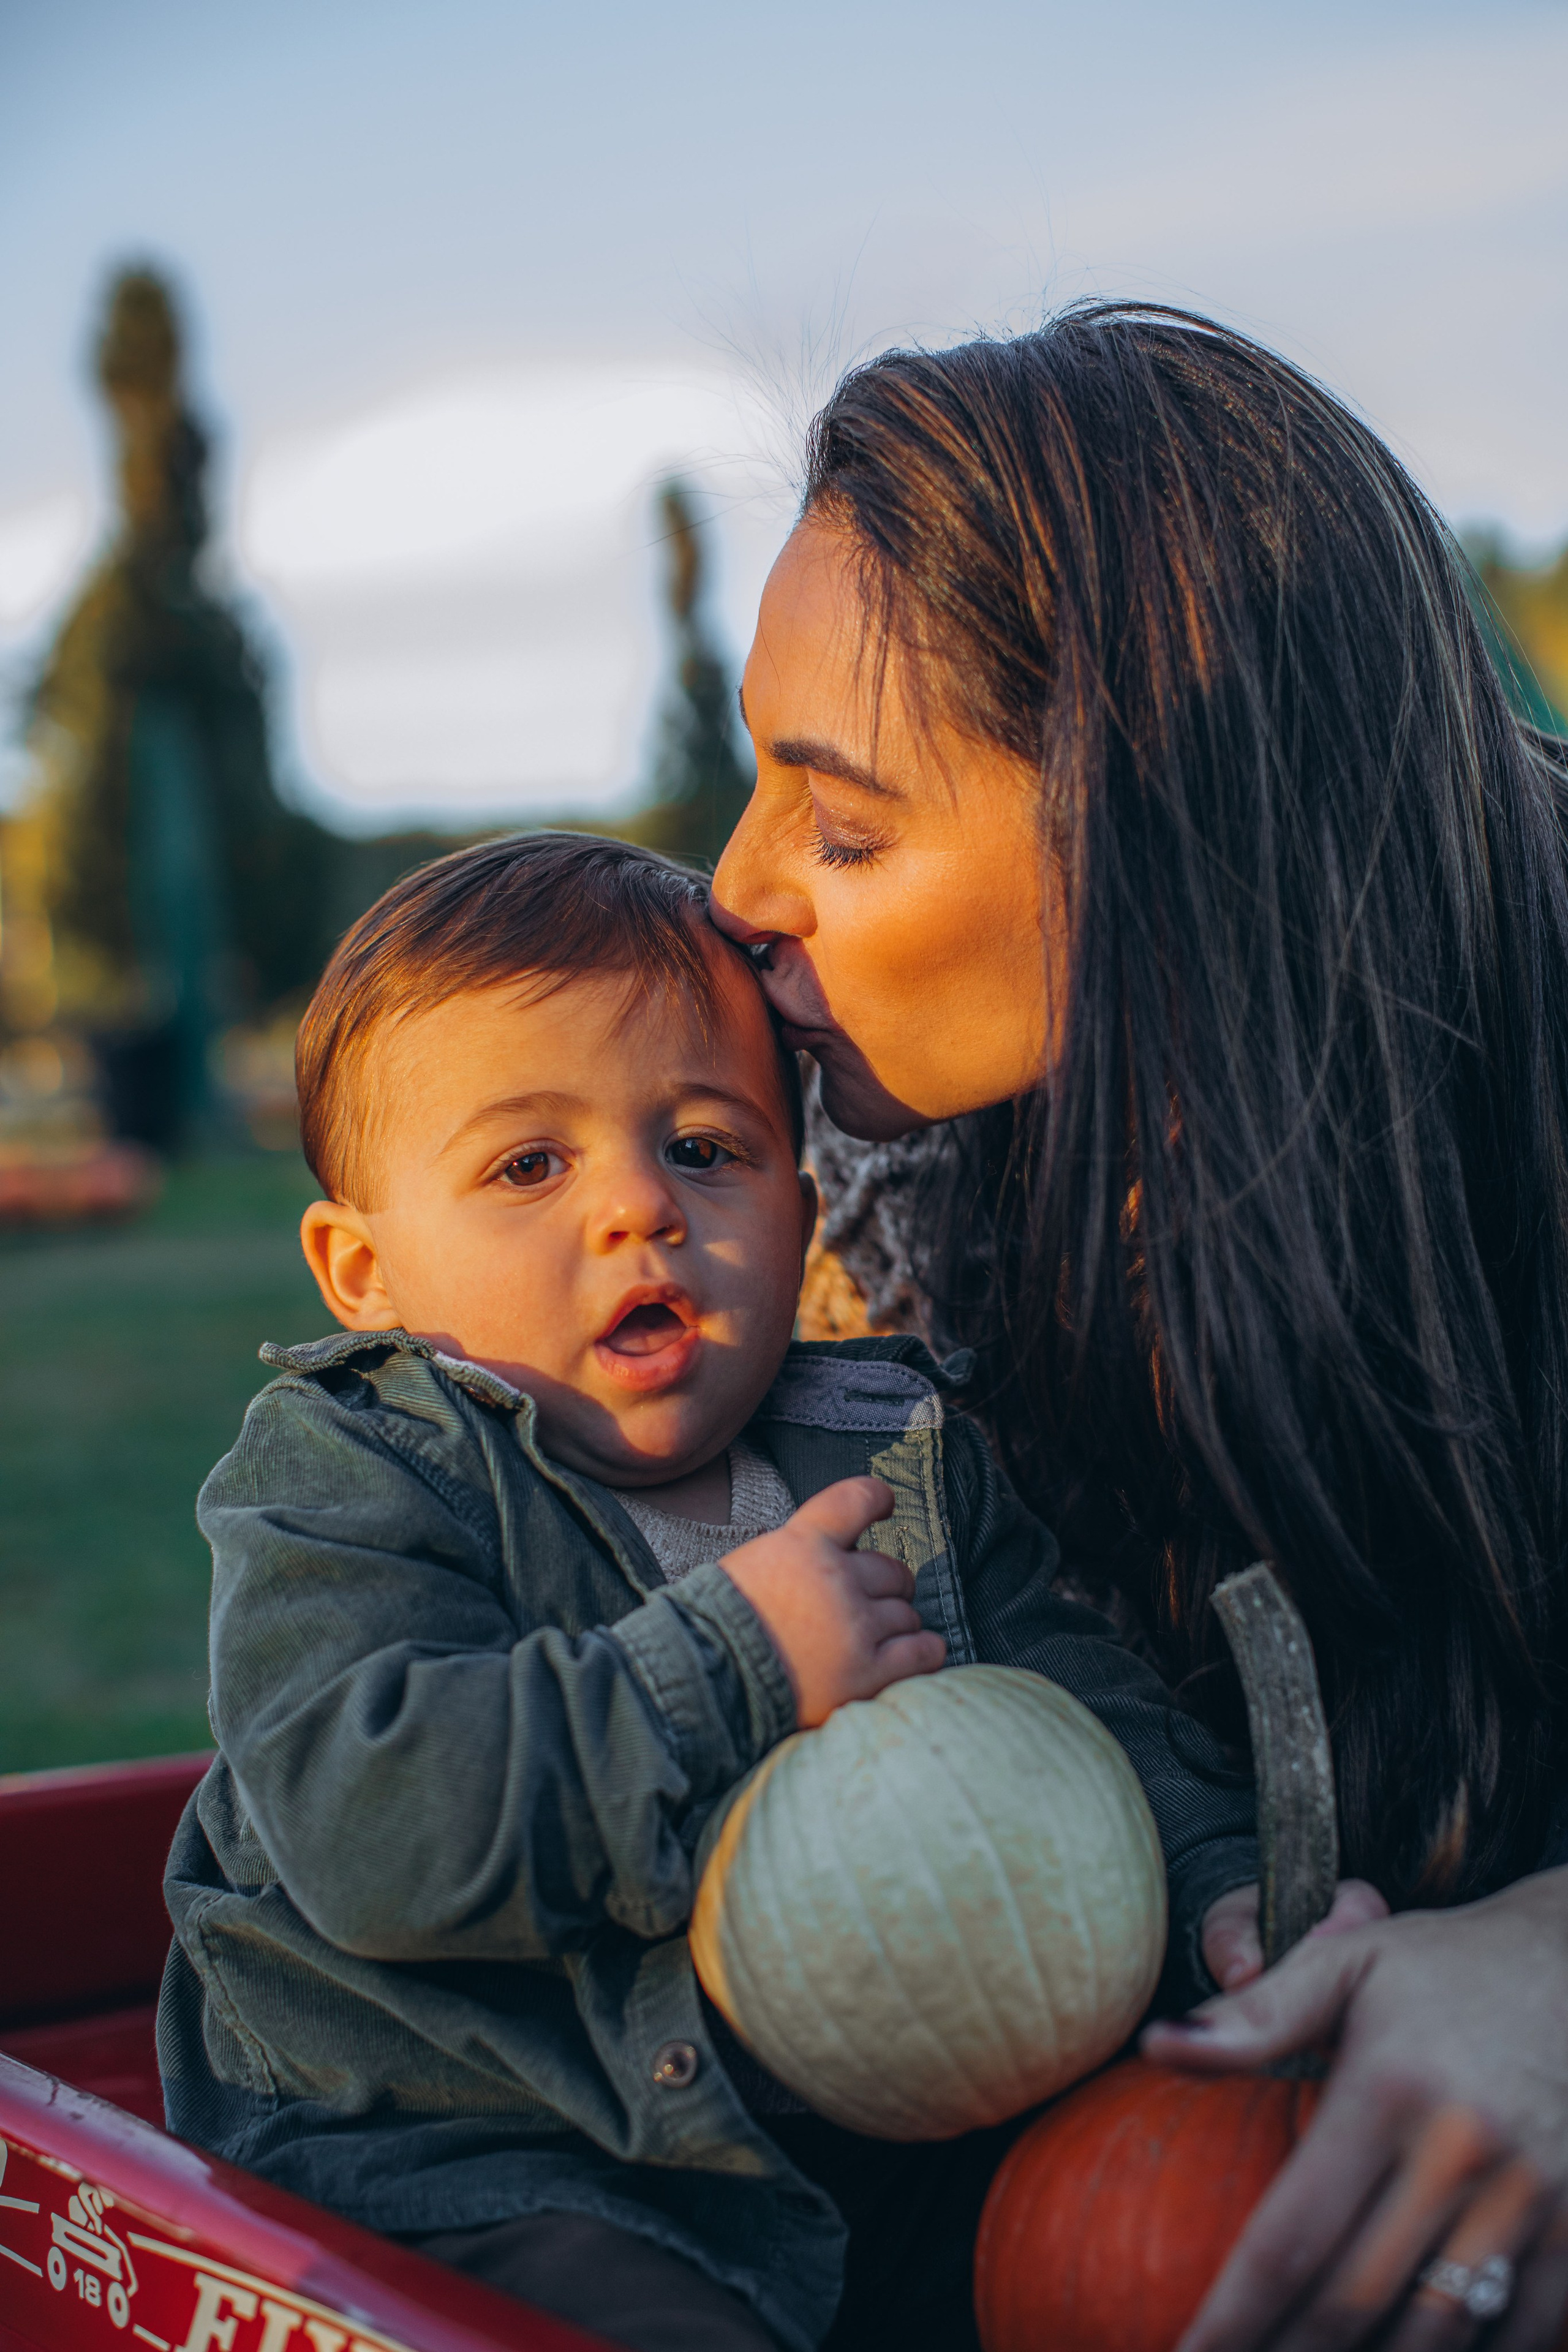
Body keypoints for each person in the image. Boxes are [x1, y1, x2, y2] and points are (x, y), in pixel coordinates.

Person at [710, 301, 1568, 2351]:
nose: (737, 887)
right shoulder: (888, 1202)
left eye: (841, 825)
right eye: (755, 784)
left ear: (1172, 831)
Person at [159, 830, 1270, 2352]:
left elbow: (1083, 1695)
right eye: (528, 1164)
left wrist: (1213, 1875)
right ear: (363, 1277)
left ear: (800, 1216)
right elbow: (372, 1823)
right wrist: (733, 1659)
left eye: (703, 1145)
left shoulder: (895, 1454)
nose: (637, 1207)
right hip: (466, 2144)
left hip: (847, 2124)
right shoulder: (356, 1478)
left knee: (1123, 2264)